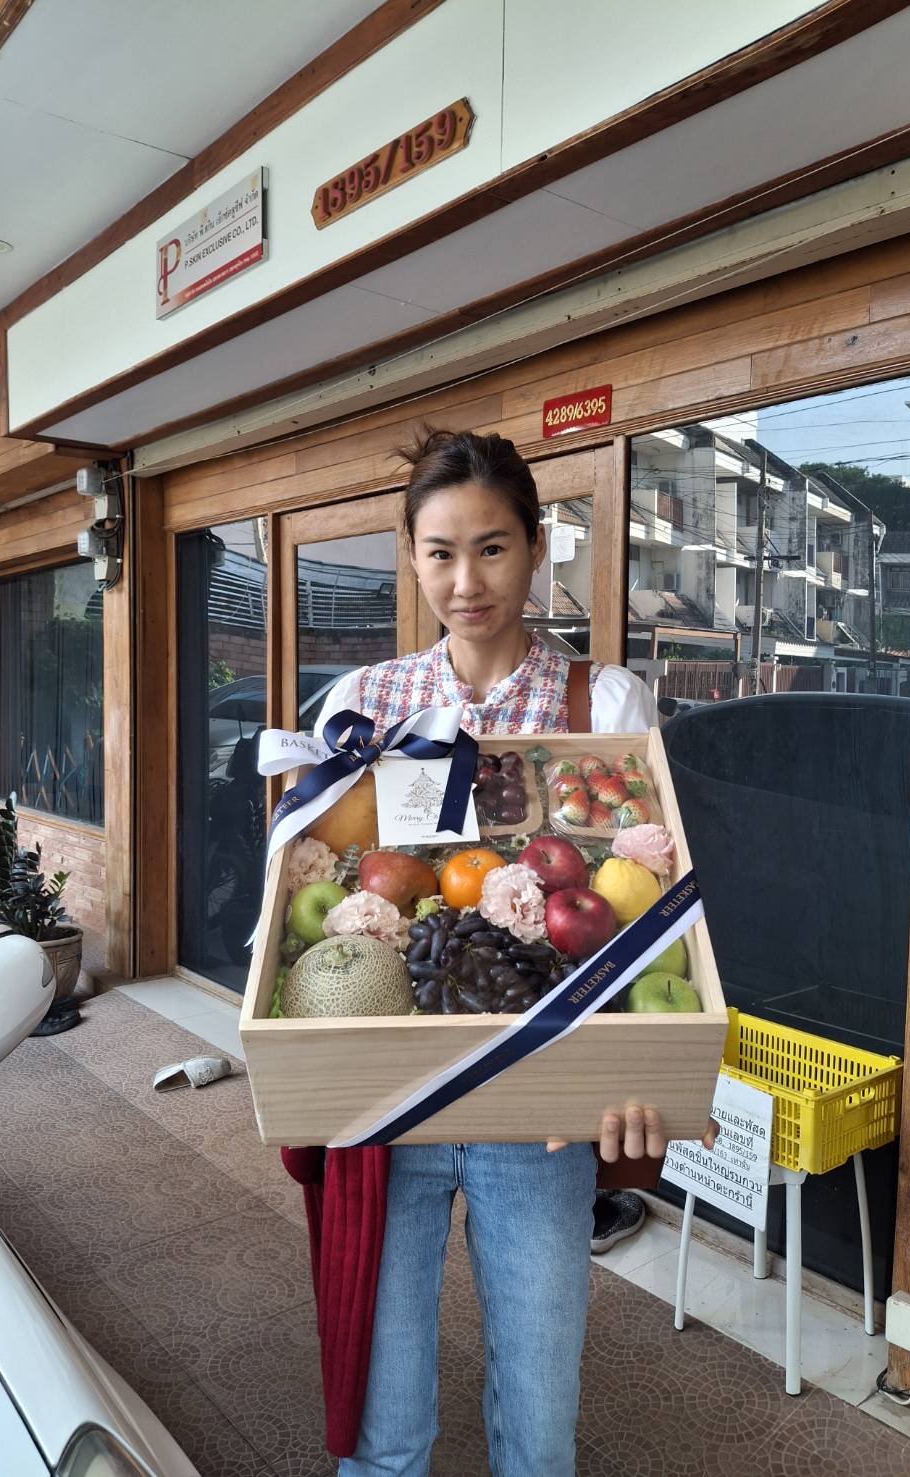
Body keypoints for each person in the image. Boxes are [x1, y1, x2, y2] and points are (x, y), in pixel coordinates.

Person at [282, 428, 716, 1475]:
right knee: (385, 1437)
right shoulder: (363, 708)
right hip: (391, 1102)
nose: (464, 579)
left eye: (490, 548)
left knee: (538, 1428)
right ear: (410, 555)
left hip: (541, 1107)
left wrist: (630, 1070)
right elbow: (303, 883)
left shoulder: (599, 707)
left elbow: (656, 917)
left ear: (535, 548)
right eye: (439, 551)